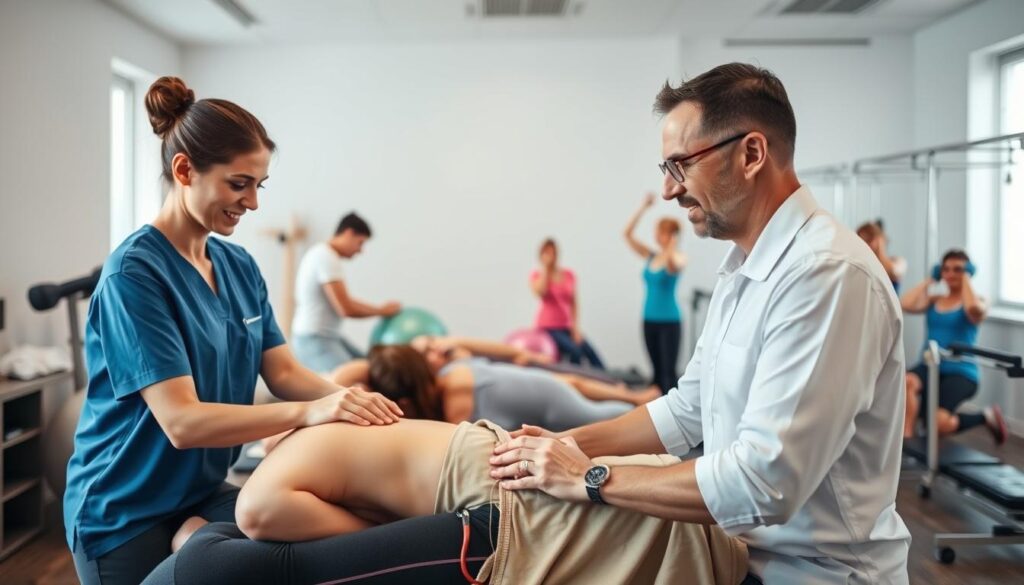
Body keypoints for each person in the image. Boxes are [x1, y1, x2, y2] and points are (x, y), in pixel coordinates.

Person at [489, 63, 912, 584]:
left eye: (680, 166)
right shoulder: (743, 267)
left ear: (751, 154)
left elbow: (764, 482)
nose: (669, 190)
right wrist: (564, 446)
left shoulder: (826, 275)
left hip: (811, 573)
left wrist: (590, 477)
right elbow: (686, 411)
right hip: (740, 554)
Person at [64, 76, 402, 585]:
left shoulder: (238, 265)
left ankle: (191, 536)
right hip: (123, 508)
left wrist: (351, 401)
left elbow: (284, 370)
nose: (252, 202)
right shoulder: (134, 275)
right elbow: (182, 422)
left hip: (201, 490)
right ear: (185, 170)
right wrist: (310, 412)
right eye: (238, 184)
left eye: (258, 186)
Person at [142, 418, 749, 585]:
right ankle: (189, 538)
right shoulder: (316, 439)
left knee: (242, 557)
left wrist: (194, 531)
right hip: (476, 458)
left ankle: (189, 539)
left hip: (486, 488)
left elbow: (265, 519)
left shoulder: (267, 485)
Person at [329, 337, 660, 432]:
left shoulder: (455, 416)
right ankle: (643, 404)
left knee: (613, 423)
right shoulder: (452, 369)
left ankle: (651, 411)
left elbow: (337, 380)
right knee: (601, 407)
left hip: (556, 405)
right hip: (552, 392)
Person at [901, 249, 1005, 443]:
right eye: (946, 269)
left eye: (957, 269)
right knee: (907, 382)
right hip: (930, 366)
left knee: (937, 426)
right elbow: (904, 303)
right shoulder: (935, 299)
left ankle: (984, 416)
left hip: (961, 372)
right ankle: (907, 442)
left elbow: (974, 310)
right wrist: (931, 280)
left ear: (968, 272)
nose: (950, 274)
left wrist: (965, 277)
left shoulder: (979, 300)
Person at [291, 212, 401, 371]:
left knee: (373, 369)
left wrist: (381, 310)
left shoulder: (324, 254)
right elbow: (346, 308)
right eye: (360, 243)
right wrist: (382, 311)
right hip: (314, 339)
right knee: (355, 384)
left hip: (326, 336)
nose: (360, 250)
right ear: (348, 233)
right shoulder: (325, 257)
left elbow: (346, 301)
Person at [624, 192, 687, 393]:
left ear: (671, 236)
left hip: (669, 323)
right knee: (656, 375)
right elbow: (627, 234)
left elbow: (673, 266)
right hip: (648, 320)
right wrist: (643, 207)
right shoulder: (651, 256)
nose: (657, 236)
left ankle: (675, 421)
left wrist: (672, 245)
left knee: (668, 375)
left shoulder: (678, 257)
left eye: (661, 232)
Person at [530, 238, 606, 369]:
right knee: (575, 351)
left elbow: (574, 303)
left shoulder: (569, 275)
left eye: (553, 253)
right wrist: (546, 269)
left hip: (566, 327)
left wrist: (575, 327)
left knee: (591, 353)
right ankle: (577, 381)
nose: (551, 257)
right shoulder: (537, 275)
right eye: (547, 253)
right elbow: (540, 292)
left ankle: (609, 382)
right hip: (548, 328)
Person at [856, 220, 906, 292]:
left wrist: (880, 248)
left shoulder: (898, 261)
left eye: (868, 240)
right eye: (861, 240)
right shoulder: (861, 264)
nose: (865, 244)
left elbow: (894, 272)